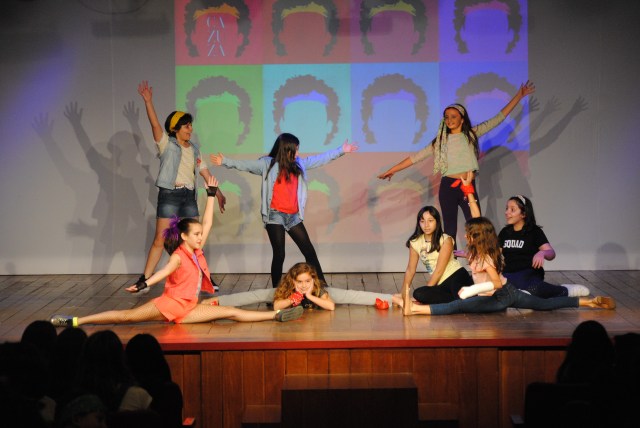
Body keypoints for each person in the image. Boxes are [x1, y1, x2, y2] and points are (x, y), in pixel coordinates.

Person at [49, 176, 303, 328]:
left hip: (189, 308)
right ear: (183, 237)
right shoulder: (179, 255)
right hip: (169, 305)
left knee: (231, 312)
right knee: (127, 317)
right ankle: (76, 321)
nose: (201, 236)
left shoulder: (196, 250)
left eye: (200, 235)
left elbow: (207, 223)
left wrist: (211, 195)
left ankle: (277, 315)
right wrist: (144, 283)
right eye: (196, 234)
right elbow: (163, 273)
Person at [378, 81, 535, 243]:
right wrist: (392, 170)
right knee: (450, 229)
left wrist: (519, 96)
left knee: (476, 226)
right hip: (448, 187)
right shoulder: (440, 141)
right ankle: (450, 259)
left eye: (453, 117)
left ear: (462, 119)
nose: (449, 120)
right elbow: (415, 157)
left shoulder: (471, 134)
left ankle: (480, 258)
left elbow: (498, 119)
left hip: (467, 185)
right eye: (446, 117)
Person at [210, 132, 357, 288]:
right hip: (275, 216)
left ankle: (322, 286)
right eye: (295, 149)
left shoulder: (299, 164)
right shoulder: (268, 164)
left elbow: (320, 159)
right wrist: (225, 161)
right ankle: (276, 291)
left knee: (309, 251)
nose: (298, 153)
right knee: (279, 254)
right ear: (286, 150)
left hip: (293, 217)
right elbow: (246, 165)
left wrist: (341, 150)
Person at [397, 217, 616, 316]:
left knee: (459, 306)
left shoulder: (485, 257)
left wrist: (472, 290)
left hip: (502, 295)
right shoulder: (475, 252)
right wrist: (470, 195)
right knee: (544, 304)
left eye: (468, 233)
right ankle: (590, 302)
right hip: (504, 293)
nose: (465, 236)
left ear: (476, 236)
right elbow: (477, 219)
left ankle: (415, 309)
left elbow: (495, 283)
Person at [133, 80, 226, 291]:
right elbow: (155, 125)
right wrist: (148, 102)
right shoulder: (166, 144)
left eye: (191, 125)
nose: (190, 129)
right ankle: (144, 279)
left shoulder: (194, 149)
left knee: (195, 239)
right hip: (170, 195)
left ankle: (204, 276)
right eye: (186, 126)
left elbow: (204, 172)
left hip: (189, 197)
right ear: (175, 128)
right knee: (160, 239)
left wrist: (218, 193)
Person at [499, 195, 590, 297]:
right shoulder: (505, 232)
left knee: (532, 288)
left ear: (523, 214)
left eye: (512, 210)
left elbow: (551, 253)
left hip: (529, 273)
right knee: (500, 285)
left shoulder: (534, 231)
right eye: (507, 208)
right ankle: (520, 294)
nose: (507, 212)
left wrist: (542, 253)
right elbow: (495, 254)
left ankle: (565, 290)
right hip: (509, 274)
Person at [392, 203, 476, 307]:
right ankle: (457, 299)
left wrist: (428, 289)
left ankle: (470, 288)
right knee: (419, 294)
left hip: (456, 276)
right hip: (441, 285)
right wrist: (403, 294)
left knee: (465, 302)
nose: (426, 225)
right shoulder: (415, 242)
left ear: (437, 222)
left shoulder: (446, 240)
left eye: (430, 221)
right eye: (422, 221)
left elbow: (439, 270)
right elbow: (410, 270)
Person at [207, 262, 393, 309]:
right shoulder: (288, 288)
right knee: (257, 295)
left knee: (350, 295)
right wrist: (292, 298)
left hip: (319, 296)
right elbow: (277, 306)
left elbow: (330, 306)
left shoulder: (316, 288)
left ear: (313, 280)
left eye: (307, 281)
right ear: (293, 281)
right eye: (300, 282)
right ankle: (217, 302)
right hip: (287, 295)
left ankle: (394, 298)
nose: (303, 285)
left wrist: (310, 295)